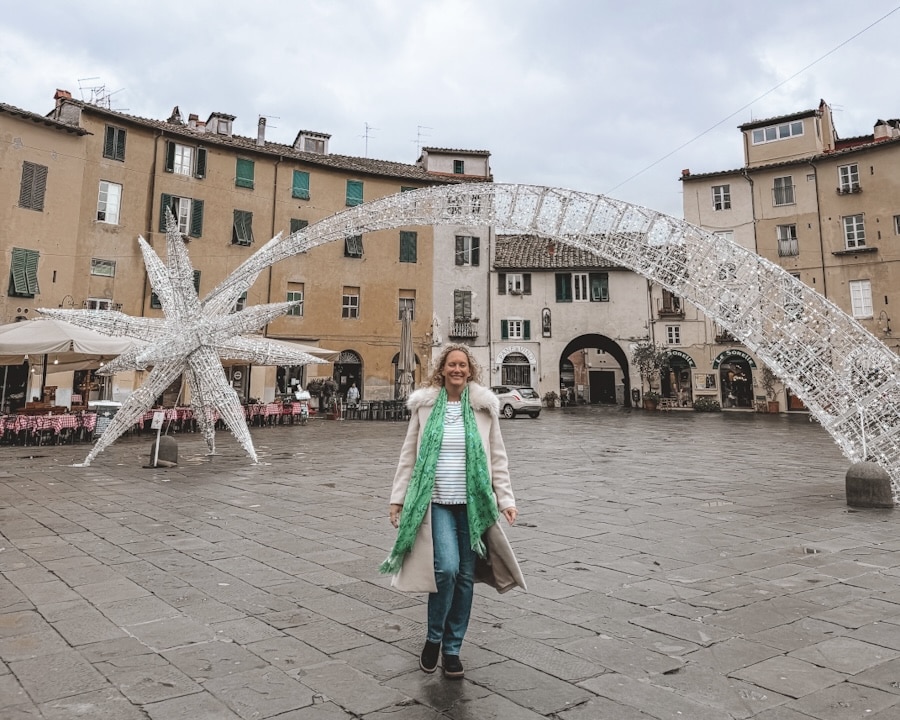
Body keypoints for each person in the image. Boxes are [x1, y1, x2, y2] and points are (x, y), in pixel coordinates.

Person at [380, 343, 525, 680]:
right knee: (445, 569)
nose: (457, 370)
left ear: (469, 370)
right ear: (442, 370)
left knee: (464, 577)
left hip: (473, 504)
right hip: (437, 502)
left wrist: (507, 500)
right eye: (451, 365)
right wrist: (397, 498)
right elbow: (408, 456)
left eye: (462, 365)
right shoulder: (425, 407)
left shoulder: (484, 408)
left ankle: (452, 648)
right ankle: (434, 637)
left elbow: (497, 457)